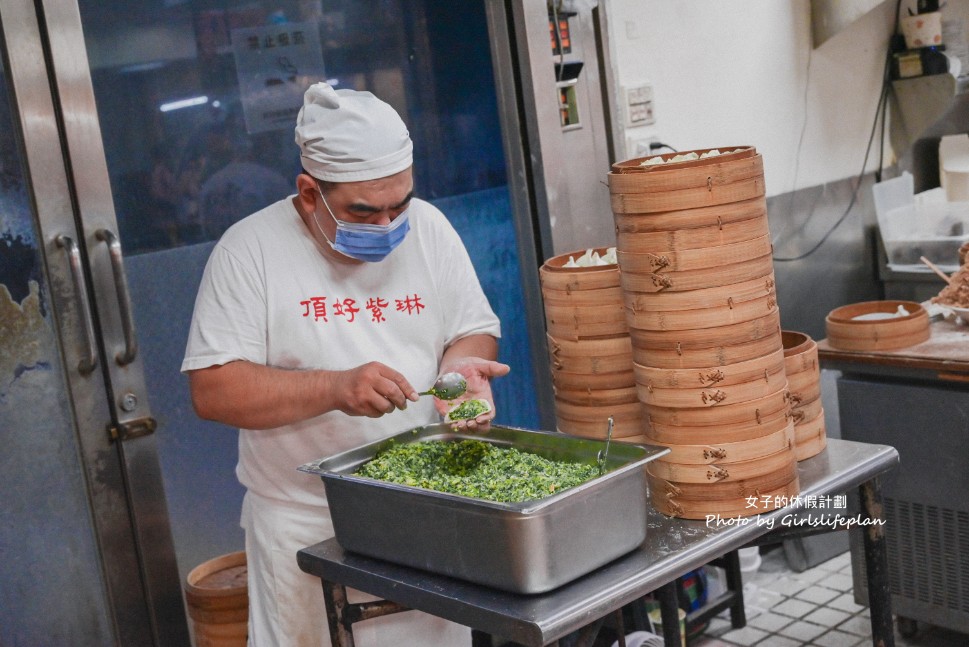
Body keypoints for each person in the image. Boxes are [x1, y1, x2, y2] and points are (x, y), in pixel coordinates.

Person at [181, 82, 509, 646]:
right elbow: (214, 390)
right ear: (310, 194)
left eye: (398, 205)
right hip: (307, 528)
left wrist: (460, 379)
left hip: (423, 508)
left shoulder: (428, 228)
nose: (387, 226)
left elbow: (471, 329)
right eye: (364, 210)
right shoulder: (249, 251)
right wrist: (334, 388)